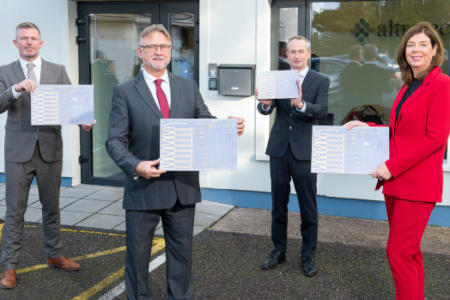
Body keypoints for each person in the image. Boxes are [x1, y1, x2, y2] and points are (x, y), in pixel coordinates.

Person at [105, 24, 244, 300]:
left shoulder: (187, 87)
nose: (158, 51)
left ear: (172, 51)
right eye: (151, 46)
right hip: (144, 187)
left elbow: (204, 122)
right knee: (137, 258)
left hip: (182, 187)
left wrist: (225, 127)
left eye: (164, 46)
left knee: (182, 257)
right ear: (140, 52)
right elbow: (114, 141)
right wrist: (135, 165)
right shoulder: (124, 91)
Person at [344, 22, 450, 300]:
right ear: (404, 51)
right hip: (398, 183)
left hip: (416, 184)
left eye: (423, 45)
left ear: (435, 49)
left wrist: (391, 166)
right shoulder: (409, 85)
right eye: (411, 45)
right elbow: (401, 132)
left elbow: (435, 139)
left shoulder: (442, 85)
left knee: (399, 253)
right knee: (410, 253)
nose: (416, 50)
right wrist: (369, 128)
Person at [0, 22, 95, 289]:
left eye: (33, 38)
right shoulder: (5, 72)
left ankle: (55, 254)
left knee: (51, 208)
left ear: (41, 43)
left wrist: (83, 121)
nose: (29, 42)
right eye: (23, 38)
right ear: (15, 43)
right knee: (14, 212)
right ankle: (9, 268)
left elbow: (71, 105)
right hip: (19, 152)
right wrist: (15, 89)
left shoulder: (57, 70)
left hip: (50, 149)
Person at [257, 35, 329, 277]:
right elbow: (265, 108)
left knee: (308, 208)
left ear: (308, 54)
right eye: (292, 52)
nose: (296, 55)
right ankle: (278, 250)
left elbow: (321, 110)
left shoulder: (320, 80)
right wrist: (265, 103)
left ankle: (308, 254)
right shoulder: (278, 79)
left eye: (301, 51)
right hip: (279, 149)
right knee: (278, 205)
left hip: (305, 152)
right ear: (287, 55)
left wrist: (300, 104)